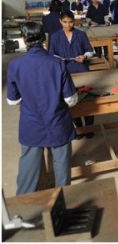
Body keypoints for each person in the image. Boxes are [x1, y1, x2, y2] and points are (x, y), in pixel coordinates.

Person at [7, 22, 78, 195]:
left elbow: (12, 101)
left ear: (24, 40)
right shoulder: (57, 63)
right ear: (44, 39)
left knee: (28, 172)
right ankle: (62, 202)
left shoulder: (15, 65)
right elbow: (70, 99)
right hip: (57, 122)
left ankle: (22, 207)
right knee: (61, 169)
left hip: (31, 124)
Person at [48, 11, 95, 139]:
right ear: (60, 22)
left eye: (70, 22)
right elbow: (51, 54)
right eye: (65, 22)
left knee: (87, 97)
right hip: (65, 70)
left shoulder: (80, 34)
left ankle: (89, 127)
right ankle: (78, 127)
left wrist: (84, 56)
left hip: (81, 68)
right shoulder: (55, 36)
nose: (68, 25)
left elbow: (90, 50)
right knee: (70, 99)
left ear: (74, 21)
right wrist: (59, 59)